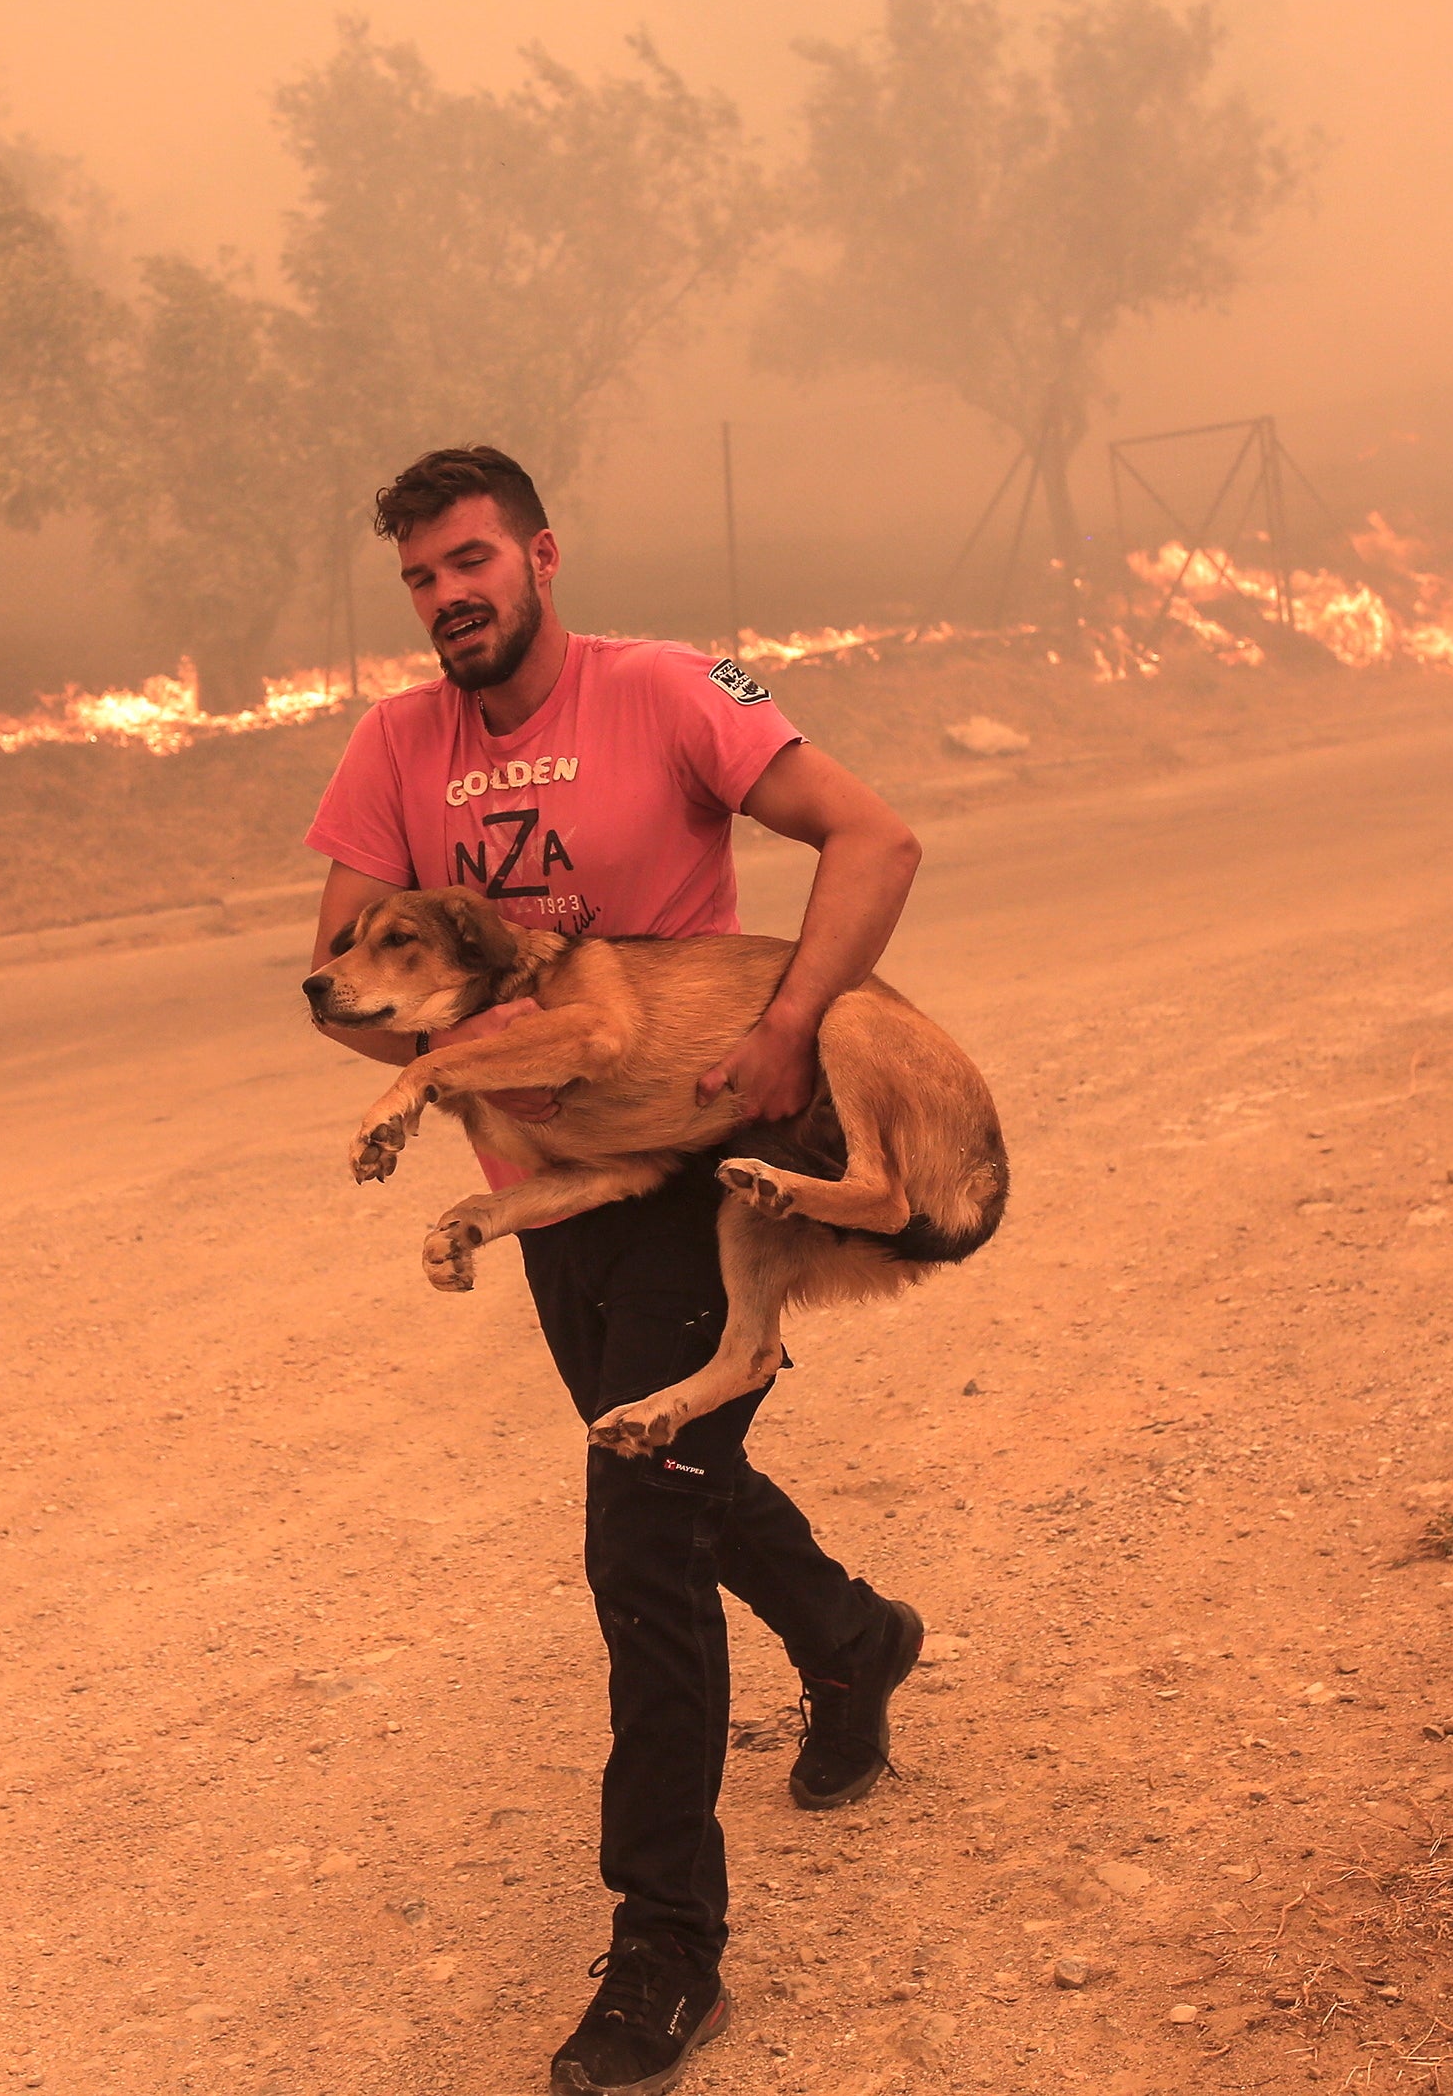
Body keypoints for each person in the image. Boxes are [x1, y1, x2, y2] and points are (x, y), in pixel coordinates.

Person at [304, 446, 931, 2095]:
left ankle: (667, 1945)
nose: (448, 597)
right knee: (682, 1474)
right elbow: (343, 974)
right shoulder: (394, 747)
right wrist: (424, 1041)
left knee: (636, 1539)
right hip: (545, 1201)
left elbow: (872, 837)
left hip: (689, 1164)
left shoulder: (678, 686)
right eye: (422, 578)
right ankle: (854, 1636)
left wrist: (792, 1024)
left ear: (541, 555)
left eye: (469, 561)